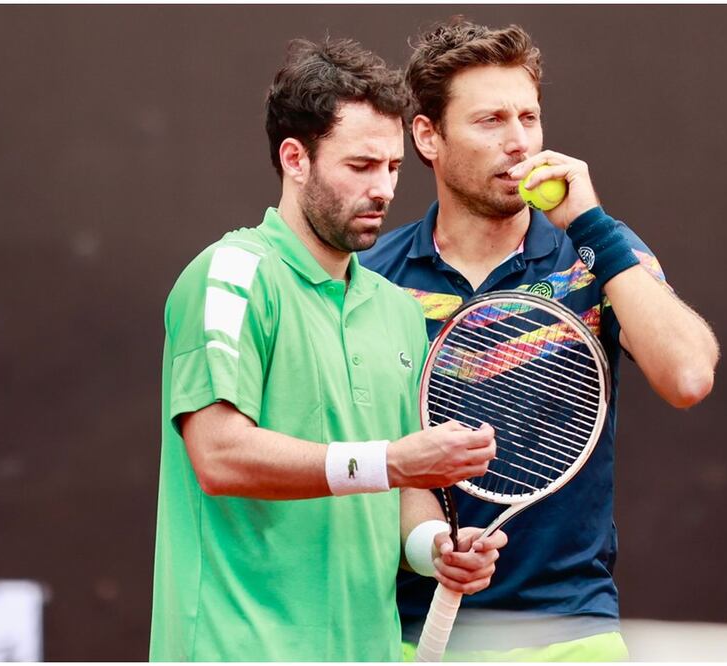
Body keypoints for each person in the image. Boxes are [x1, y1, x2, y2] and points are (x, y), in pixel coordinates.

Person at [359, 18, 720, 661]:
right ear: (428, 136)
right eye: (490, 121)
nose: (519, 142)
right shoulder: (372, 279)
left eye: (529, 117)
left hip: (570, 633)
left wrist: (591, 226)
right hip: (410, 633)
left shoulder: (597, 254)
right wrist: (428, 549)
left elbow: (689, 376)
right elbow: (366, 454)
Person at [149, 37, 509, 662]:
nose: (383, 189)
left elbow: (403, 488)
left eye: (393, 167)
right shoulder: (230, 276)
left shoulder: (398, 310)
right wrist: (390, 462)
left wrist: (434, 548)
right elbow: (219, 455)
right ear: (295, 158)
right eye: (360, 166)